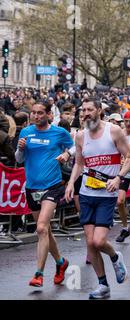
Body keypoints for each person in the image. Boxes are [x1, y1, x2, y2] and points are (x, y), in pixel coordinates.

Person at [65, 98, 130, 299]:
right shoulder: (80, 136)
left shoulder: (113, 131)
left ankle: (114, 256)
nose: (85, 113)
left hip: (107, 194)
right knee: (90, 242)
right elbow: (79, 163)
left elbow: (128, 157)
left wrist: (118, 177)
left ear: (98, 112)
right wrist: (70, 183)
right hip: (87, 193)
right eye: (83, 110)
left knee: (99, 240)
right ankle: (103, 285)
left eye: (89, 109)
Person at [15, 101, 73, 287]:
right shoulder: (25, 133)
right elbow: (19, 159)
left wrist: (67, 155)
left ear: (48, 114)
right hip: (32, 187)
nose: (36, 116)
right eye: (33, 113)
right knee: (45, 231)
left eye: (40, 113)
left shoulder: (59, 132)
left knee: (40, 228)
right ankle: (61, 262)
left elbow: (74, 147)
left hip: (52, 186)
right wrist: (20, 149)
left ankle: (38, 274)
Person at [115, 111, 130, 243]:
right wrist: (119, 161)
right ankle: (125, 228)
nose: (128, 124)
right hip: (124, 172)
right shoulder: (120, 133)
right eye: (126, 121)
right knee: (120, 201)